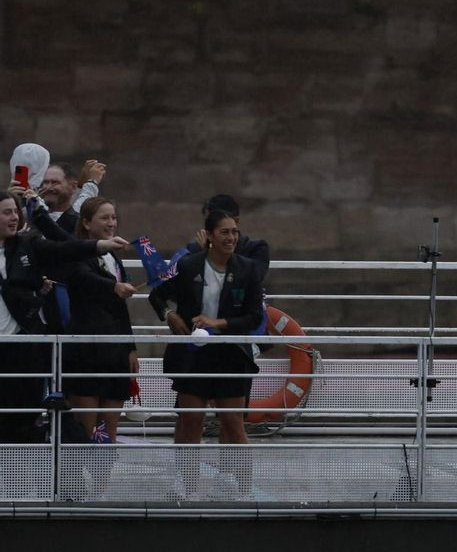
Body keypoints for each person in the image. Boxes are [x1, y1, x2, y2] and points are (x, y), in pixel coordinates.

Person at [149, 211, 265, 496]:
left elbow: (254, 317)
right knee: (191, 420)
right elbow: (157, 293)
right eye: (224, 232)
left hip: (231, 355)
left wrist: (219, 323)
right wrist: (169, 314)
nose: (231, 238)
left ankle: (245, 490)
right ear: (209, 236)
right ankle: (188, 488)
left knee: (233, 422)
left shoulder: (248, 269)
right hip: (193, 354)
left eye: (234, 232)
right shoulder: (188, 266)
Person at [1, 190, 126, 441]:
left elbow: (64, 249)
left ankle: (18, 479)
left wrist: (100, 245)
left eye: (16, 211)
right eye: (7, 212)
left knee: (23, 419)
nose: (14, 217)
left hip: (22, 346)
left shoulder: (27, 244)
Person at [59, 197, 137, 442]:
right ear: (86, 223)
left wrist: (131, 347)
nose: (111, 223)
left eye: (114, 217)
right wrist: (113, 286)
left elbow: (121, 309)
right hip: (86, 349)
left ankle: (103, 481)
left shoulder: (115, 256)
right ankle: (77, 480)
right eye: (104, 218)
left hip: (114, 351)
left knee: (108, 433)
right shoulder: (76, 252)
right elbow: (81, 278)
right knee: (86, 432)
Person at [37, 160, 106, 238]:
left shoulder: (75, 220)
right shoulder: (31, 215)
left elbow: (76, 208)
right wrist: (91, 182)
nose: (49, 187)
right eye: (46, 182)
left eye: (55, 182)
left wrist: (82, 185)